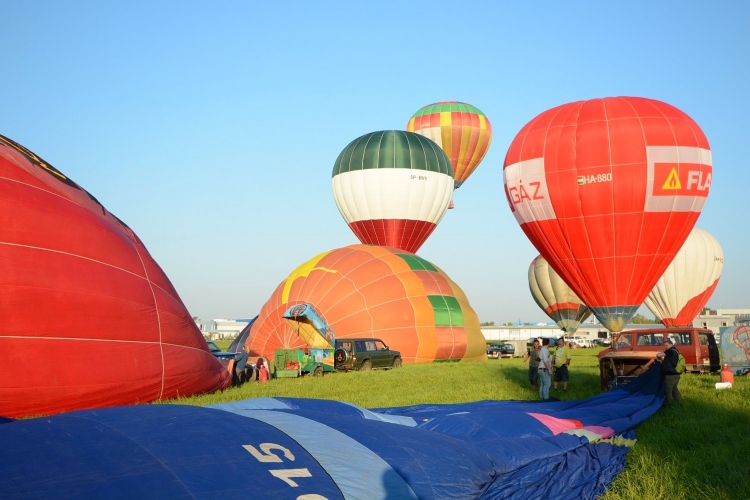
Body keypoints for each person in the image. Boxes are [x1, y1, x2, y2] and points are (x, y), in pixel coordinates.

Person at [657, 339, 682, 405]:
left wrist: (659, 353)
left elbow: (659, 355)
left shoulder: (670, 351)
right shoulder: (675, 351)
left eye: (666, 345)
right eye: (664, 345)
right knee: (674, 390)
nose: (665, 347)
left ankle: (669, 404)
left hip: (671, 375)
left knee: (668, 390)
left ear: (671, 344)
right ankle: (679, 403)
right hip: (676, 373)